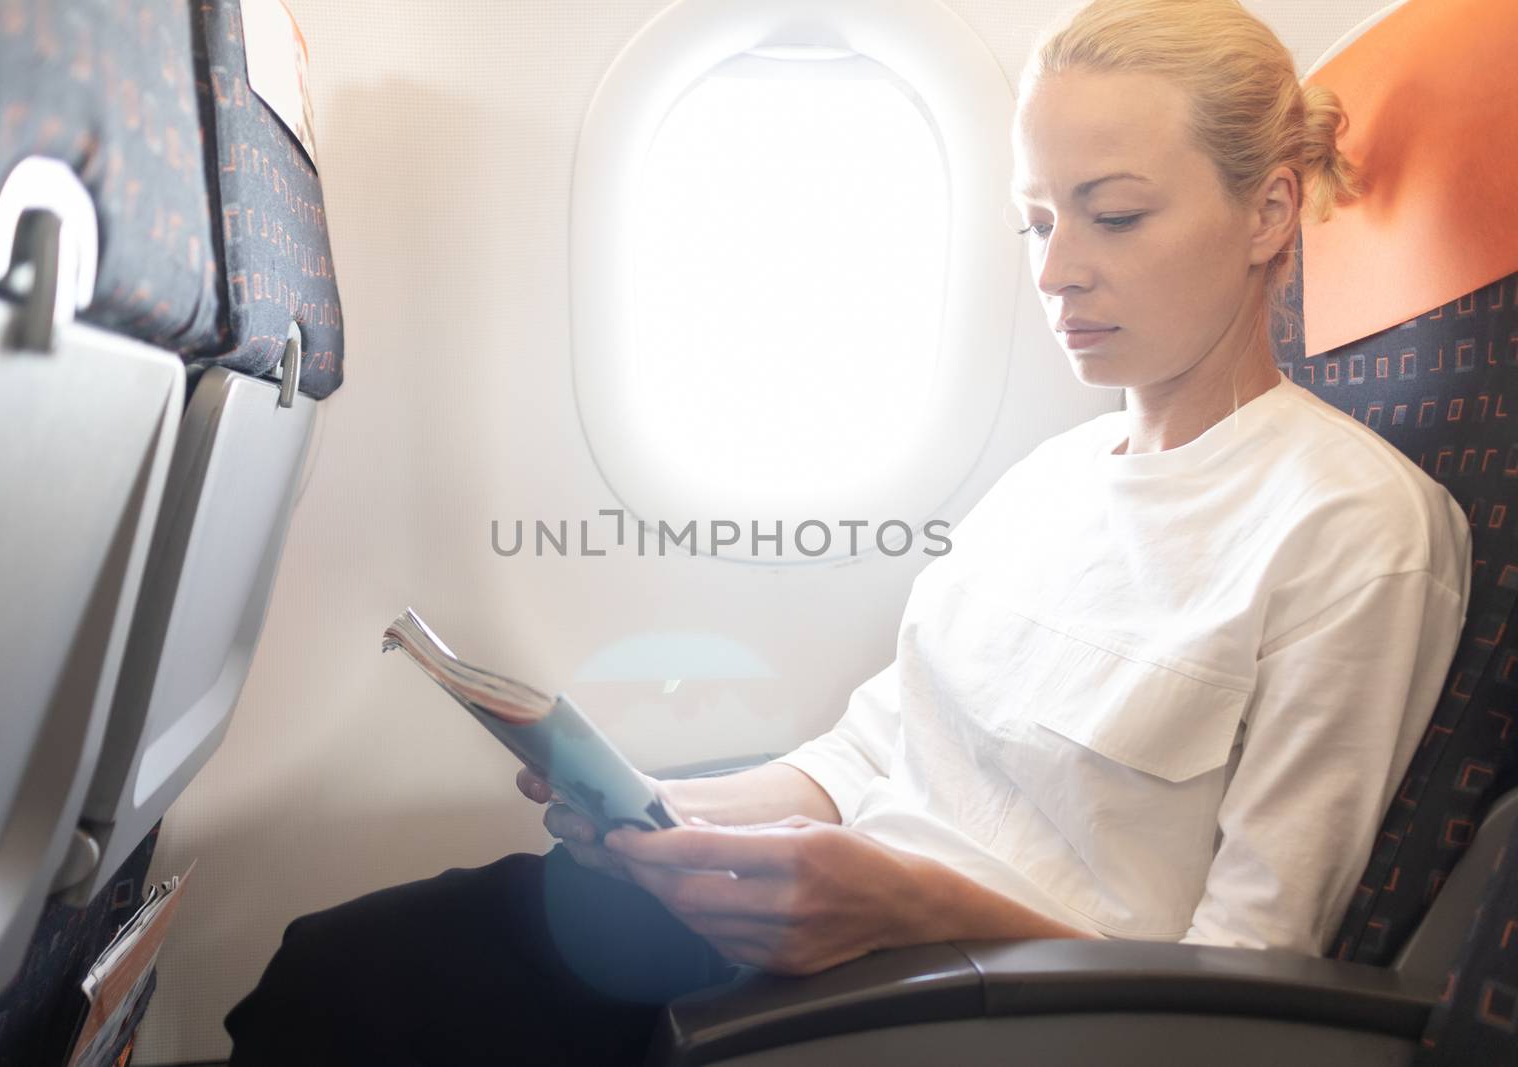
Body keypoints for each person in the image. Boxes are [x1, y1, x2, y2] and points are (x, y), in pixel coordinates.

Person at [223, 0, 1472, 1062]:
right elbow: (868, 753)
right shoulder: (1053, 477)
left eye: (1115, 215)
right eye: (1038, 221)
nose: (1054, 273)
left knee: (353, 1000)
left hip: (975, 1010)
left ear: (1266, 215)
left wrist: (911, 901)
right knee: (323, 965)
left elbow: (1243, 978)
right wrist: (673, 804)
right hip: (828, 930)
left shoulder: (1355, 528)